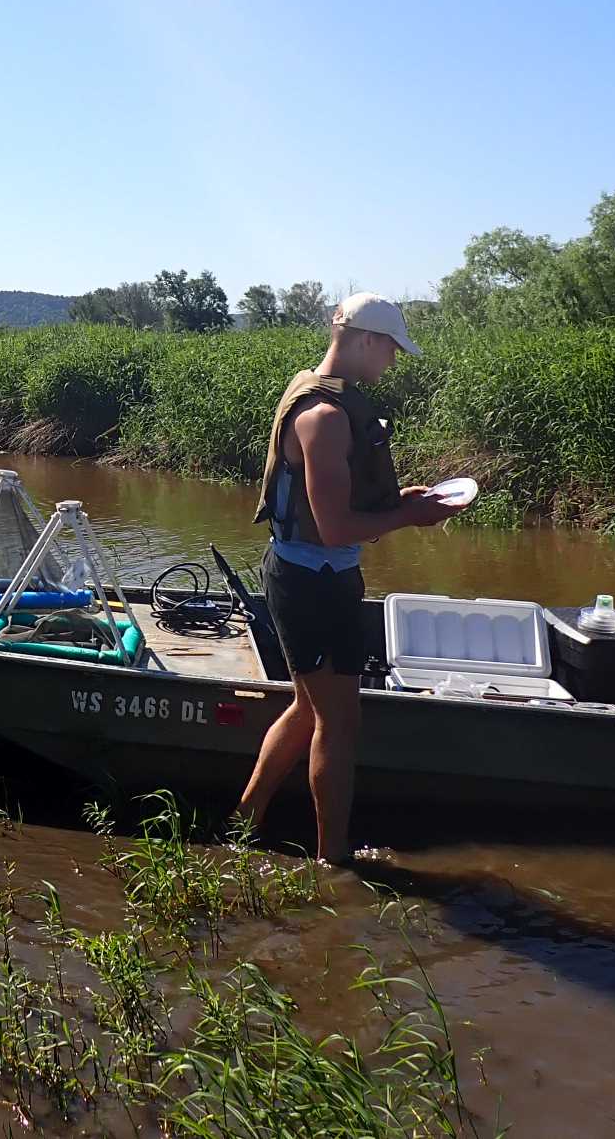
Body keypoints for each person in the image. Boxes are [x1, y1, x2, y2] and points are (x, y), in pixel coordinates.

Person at [233, 292, 459, 862]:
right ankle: (333, 862)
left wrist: (400, 502)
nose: (392, 362)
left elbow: (331, 515)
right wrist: (410, 516)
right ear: (364, 340)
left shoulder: (311, 386)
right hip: (312, 581)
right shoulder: (326, 417)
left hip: (312, 572)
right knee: (341, 722)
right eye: (390, 350)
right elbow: (334, 529)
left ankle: (242, 824)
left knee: (309, 708)